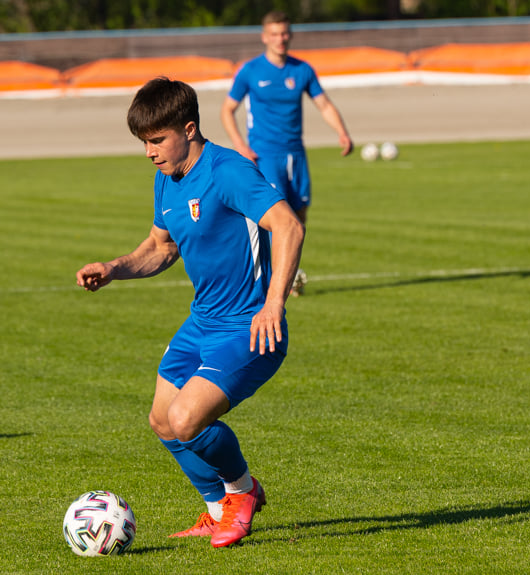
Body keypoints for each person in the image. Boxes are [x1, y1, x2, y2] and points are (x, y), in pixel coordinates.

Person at [76, 77, 305, 548]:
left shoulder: (228, 171)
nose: (149, 152)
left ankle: (242, 492)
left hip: (249, 326)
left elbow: (288, 225)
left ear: (190, 128)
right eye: (143, 142)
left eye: (157, 140)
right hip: (202, 321)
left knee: (185, 421)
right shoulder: (167, 178)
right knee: (162, 421)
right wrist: (114, 268)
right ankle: (216, 508)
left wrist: (274, 303)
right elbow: (162, 248)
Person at [220, 10, 353, 297]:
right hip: (266, 156)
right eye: (275, 34)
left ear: (290, 35)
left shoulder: (302, 70)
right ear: (264, 37)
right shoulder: (251, 71)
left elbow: (324, 105)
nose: (281, 39)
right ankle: (268, 280)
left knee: (300, 216)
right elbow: (227, 110)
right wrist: (240, 146)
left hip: (297, 155)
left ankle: (287, 274)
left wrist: (342, 132)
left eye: (285, 33)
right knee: (277, 219)